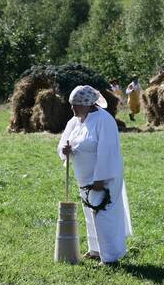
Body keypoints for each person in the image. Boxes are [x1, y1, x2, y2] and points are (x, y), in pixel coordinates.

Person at [57, 85, 132, 266]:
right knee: (90, 214)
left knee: (103, 215)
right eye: (71, 104)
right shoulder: (74, 121)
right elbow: (63, 143)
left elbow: (107, 152)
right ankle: (96, 250)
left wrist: (100, 178)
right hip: (84, 178)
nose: (72, 108)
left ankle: (110, 256)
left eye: (76, 105)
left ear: (88, 104)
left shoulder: (104, 120)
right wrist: (65, 150)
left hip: (102, 179)